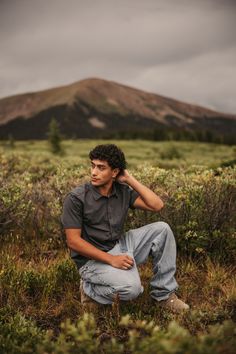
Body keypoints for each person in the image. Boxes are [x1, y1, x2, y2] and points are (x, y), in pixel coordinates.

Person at [61, 144, 189, 313]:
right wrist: (111, 259)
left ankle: (163, 295)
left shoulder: (123, 191)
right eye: (92, 165)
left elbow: (157, 205)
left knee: (162, 229)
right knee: (132, 289)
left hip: (120, 244)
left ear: (115, 172)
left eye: (101, 168)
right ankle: (90, 290)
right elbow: (73, 242)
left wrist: (129, 179)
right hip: (91, 260)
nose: (93, 172)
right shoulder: (77, 198)